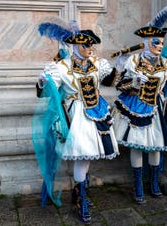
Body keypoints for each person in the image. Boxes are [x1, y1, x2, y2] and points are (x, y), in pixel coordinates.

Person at [33, 22, 119, 224]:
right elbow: (47, 93)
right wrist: (42, 82)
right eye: (87, 45)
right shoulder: (61, 67)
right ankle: (81, 198)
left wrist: (119, 67)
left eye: (92, 45)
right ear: (76, 45)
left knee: (87, 157)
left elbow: (108, 81)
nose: (91, 49)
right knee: (83, 156)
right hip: (75, 117)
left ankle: (79, 192)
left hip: (97, 113)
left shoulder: (97, 63)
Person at [112, 19, 167, 203]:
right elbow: (120, 85)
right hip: (136, 107)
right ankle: (138, 185)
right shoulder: (133, 61)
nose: (160, 46)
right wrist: (135, 83)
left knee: (156, 146)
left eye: (162, 42)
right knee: (137, 146)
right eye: (156, 42)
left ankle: (154, 182)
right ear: (146, 42)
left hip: (157, 109)